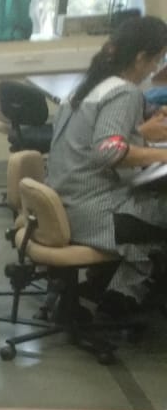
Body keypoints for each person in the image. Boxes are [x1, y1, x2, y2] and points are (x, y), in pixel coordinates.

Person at [47, 16, 167, 322]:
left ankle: (110, 288)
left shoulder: (87, 88)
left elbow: (98, 140)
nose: (156, 69)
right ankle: (121, 297)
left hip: (64, 206)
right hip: (95, 214)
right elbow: (109, 150)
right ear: (140, 57)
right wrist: (162, 155)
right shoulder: (124, 92)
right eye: (156, 60)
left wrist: (143, 135)